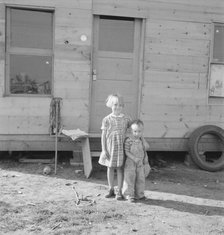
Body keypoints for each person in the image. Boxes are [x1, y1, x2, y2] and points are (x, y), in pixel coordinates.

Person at [98, 94, 131, 200]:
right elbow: (103, 135)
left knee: (120, 168)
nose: (118, 107)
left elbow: (130, 133)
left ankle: (119, 190)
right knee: (110, 168)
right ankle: (111, 188)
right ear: (111, 105)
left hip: (121, 148)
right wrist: (104, 149)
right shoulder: (106, 119)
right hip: (110, 147)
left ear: (123, 106)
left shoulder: (127, 119)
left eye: (121, 105)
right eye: (116, 104)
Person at [122, 119, 150, 202]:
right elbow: (126, 152)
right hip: (130, 162)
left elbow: (147, 147)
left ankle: (140, 194)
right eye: (135, 131)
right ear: (131, 131)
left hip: (140, 163)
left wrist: (143, 138)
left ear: (142, 132)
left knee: (140, 179)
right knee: (129, 178)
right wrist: (134, 158)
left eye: (139, 131)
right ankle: (128, 195)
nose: (137, 134)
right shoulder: (128, 140)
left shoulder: (141, 141)